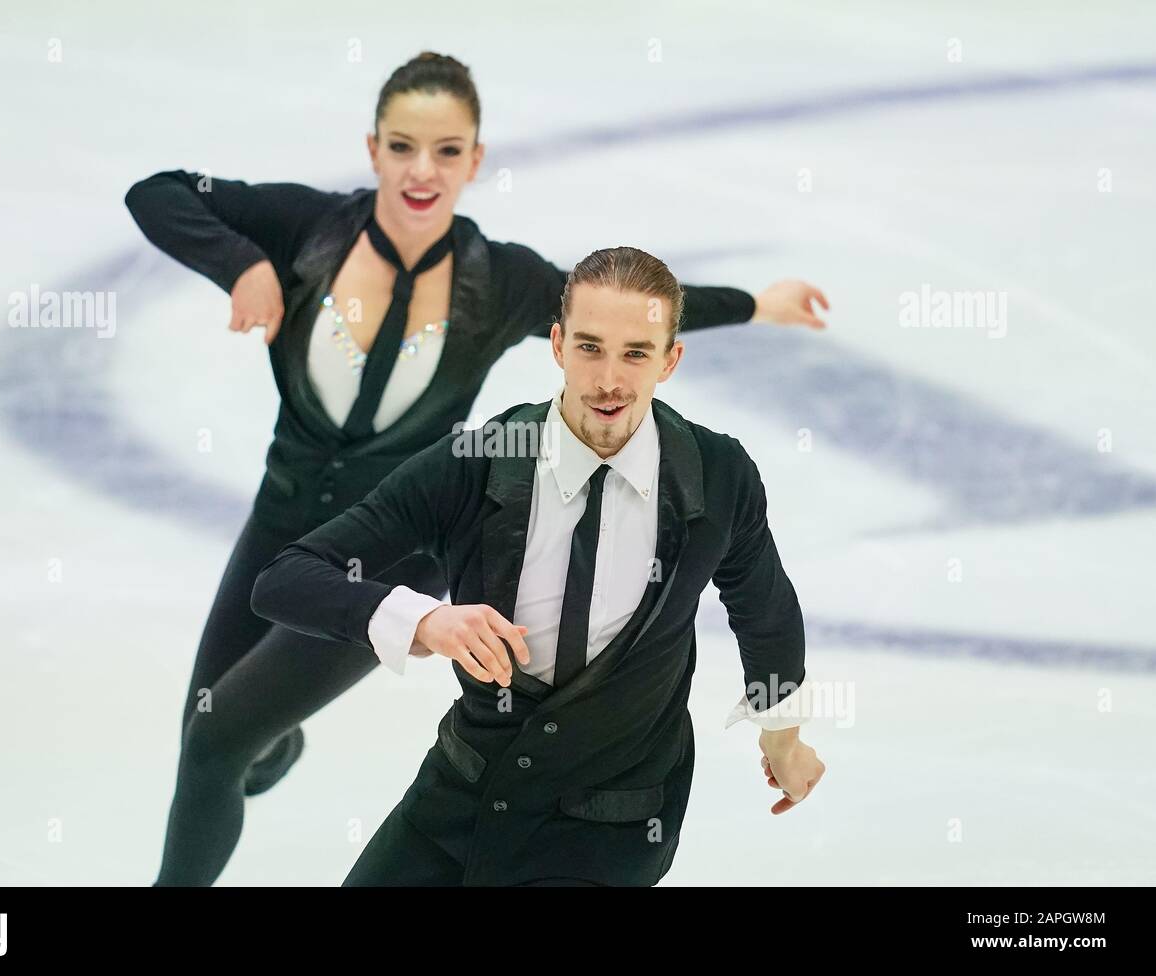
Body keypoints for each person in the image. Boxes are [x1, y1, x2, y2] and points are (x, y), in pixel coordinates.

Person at [125, 51, 830, 886]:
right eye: (402, 147)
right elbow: (158, 193)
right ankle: (275, 743)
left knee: (215, 741)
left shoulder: (501, 282)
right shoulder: (307, 229)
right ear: (374, 148)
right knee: (217, 737)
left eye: (448, 150)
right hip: (284, 521)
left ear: (474, 161)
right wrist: (239, 264)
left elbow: (622, 313)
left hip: (400, 548)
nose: (423, 171)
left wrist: (758, 303)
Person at [250, 245, 826, 886]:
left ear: (670, 359)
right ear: (556, 346)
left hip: (608, 832)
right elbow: (288, 578)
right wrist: (425, 622)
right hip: (462, 799)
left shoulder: (717, 476)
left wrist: (782, 737)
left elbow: (765, 611)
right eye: (589, 348)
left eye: (636, 352)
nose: (609, 379)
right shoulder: (480, 459)